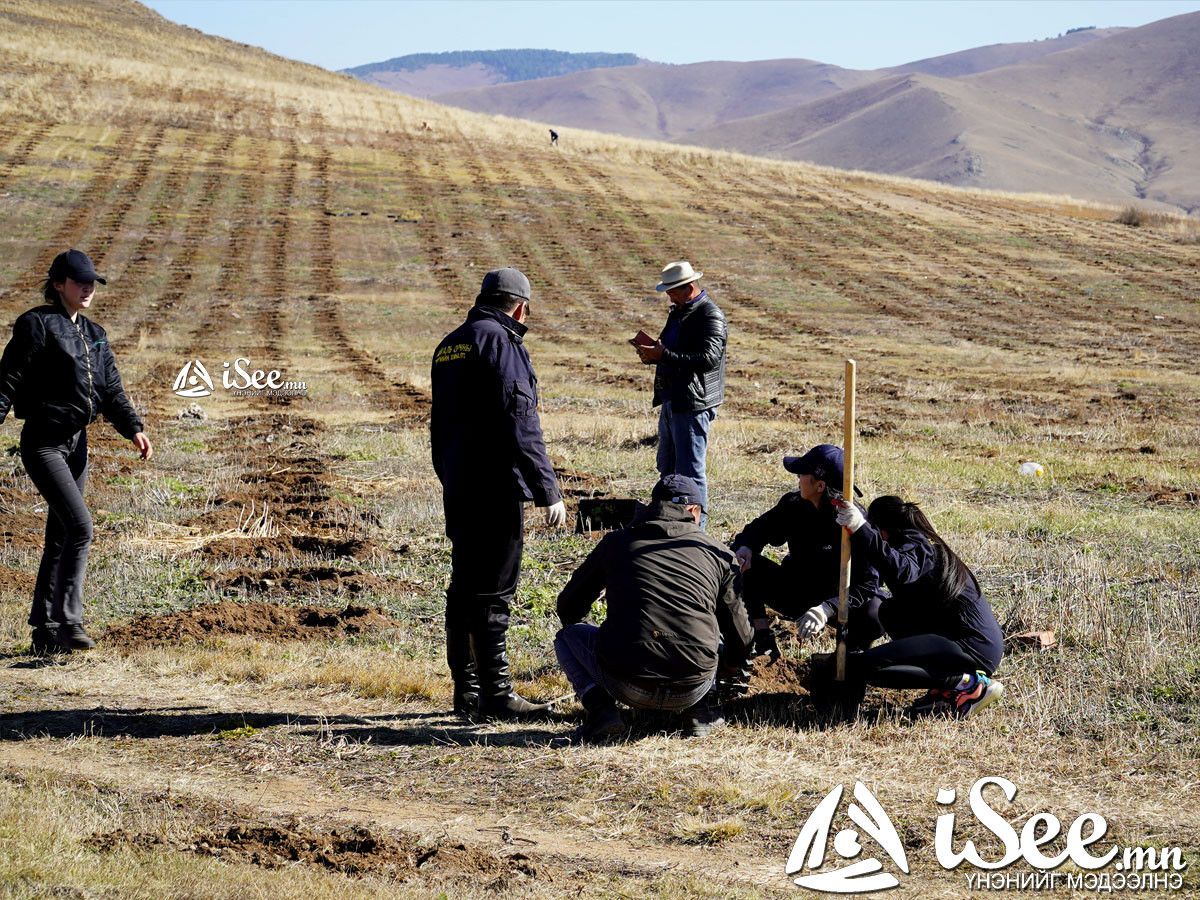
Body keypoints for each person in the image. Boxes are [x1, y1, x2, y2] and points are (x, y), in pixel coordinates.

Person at [431, 266, 568, 721]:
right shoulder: (501, 343)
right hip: (495, 488)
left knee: (464, 587)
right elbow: (520, 421)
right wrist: (547, 489)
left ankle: (466, 692)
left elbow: (439, 427)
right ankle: (497, 694)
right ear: (521, 306)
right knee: (492, 592)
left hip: (460, 486)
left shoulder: (449, 344)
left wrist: (449, 476)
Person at [0, 250, 152, 654]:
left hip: (77, 443)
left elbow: (112, 388)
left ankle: (45, 631)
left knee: (61, 533)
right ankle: (70, 622)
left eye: (92, 282)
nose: (87, 288)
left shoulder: (95, 332)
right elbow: (8, 378)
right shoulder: (37, 324)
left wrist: (132, 428)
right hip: (44, 442)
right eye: (79, 281)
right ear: (58, 285)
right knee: (82, 527)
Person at [554, 475, 752, 743]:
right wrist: (729, 664)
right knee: (709, 630)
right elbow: (741, 635)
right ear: (694, 510)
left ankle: (602, 711)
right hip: (693, 686)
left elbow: (568, 609)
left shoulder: (616, 543)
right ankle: (699, 711)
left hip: (625, 684)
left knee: (566, 636)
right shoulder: (719, 554)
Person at [834, 495, 1005, 718]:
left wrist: (860, 528)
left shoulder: (917, 542)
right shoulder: (915, 541)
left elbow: (901, 569)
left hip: (972, 648)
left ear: (881, 528)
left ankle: (968, 684)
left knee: (863, 667)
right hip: (954, 640)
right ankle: (946, 687)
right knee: (890, 611)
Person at [731, 445, 882, 659]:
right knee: (740, 564)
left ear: (820, 485)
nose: (798, 477)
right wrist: (746, 545)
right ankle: (762, 639)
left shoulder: (854, 522)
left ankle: (853, 653)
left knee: (874, 612)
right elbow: (758, 529)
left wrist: (828, 607)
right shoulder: (794, 504)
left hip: (841, 598)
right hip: (799, 589)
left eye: (802, 473)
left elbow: (868, 583)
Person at [634, 261, 726, 524]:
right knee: (668, 467)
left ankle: (697, 533)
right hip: (673, 399)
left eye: (672, 290)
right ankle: (669, 523)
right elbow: (670, 350)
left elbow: (709, 358)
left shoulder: (710, 315)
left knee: (690, 472)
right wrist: (653, 355)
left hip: (693, 403)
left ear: (689, 287)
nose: (669, 296)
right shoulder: (678, 313)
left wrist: (664, 355)